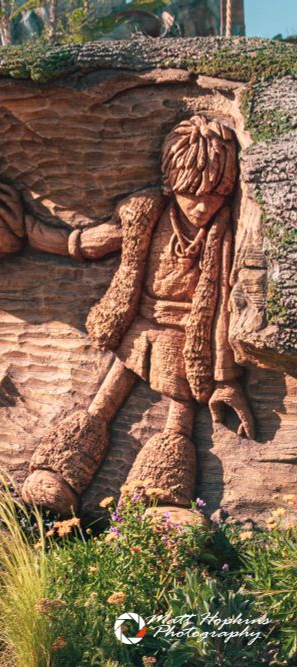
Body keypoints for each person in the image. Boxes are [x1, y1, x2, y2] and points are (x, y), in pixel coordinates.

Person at [21, 115, 254, 522]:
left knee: (178, 418)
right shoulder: (144, 214)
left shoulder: (227, 237)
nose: (202, 205)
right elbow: (100, 241)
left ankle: (162, 497)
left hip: (187, 338)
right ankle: (61, 469)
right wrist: (47, 236)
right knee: (103, 401)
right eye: (190, 193)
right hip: (137, 324)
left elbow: (224, 309)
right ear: (170, 184)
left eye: (215, 194)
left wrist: (226, 379)